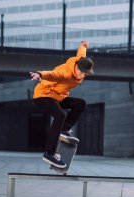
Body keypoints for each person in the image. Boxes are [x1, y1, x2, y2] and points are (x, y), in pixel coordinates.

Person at [30, 40, 94, 168]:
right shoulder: (65, 73)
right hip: (43, 95)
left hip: (57, 96)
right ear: (76, 67)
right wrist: (40, 74)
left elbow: (82, 52)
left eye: (85, 74)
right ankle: (49, 153)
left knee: (81, 104)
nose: (81, 75)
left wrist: (83, 45)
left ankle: (64, 129)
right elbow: (53, 74)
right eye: (80, 72)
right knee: (60, 115)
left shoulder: (81, 61)